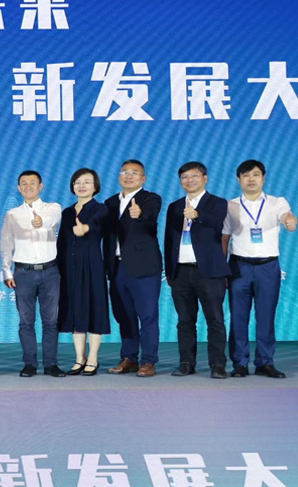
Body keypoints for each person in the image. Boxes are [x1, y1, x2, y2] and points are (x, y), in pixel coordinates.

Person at [221, 159, 297, 378]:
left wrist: (290, 220)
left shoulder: (277, 202)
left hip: (268, 267)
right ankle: (240, 363)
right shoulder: (230, 205)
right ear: (239, 180)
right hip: (239, 266)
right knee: (238, 317)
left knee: (266, 316)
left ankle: (265, 362)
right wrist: (222, 270)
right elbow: (224, 238)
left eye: (255, 174)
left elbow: (286, 216)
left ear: (263, 178)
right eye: (246, 175)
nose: (251, 179)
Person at [164, 161, 230, 378]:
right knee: (184, 321)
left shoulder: (217, 203)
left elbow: (217, 223)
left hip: (209, 271)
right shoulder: (175, 206)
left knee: (215, 320)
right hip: (181, 272)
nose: (189, 180)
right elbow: (168, 240)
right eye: (184, 177)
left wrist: (198, 215)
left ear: (205, 178)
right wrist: (170, 271)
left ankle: (218, 364)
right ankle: (186, 362)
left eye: (194, 176)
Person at [0, 170, 65, 377]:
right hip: (23, 273)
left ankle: (51, 364)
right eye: (24, 184)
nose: (28, 187)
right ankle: (30, 363)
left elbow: (52, 219)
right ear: (19, 188)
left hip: (50, 272)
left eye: (32, 183)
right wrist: (6, 271)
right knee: (26, 321)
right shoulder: (12, 214)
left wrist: (41, 222)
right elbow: (6, 243)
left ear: (41, 186)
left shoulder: (52, 208)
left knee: (51, 321)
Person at [104, 160, 163, 378]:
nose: (129, 176)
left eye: (134, 173)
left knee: (147, 316)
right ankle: (129, 358)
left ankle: (148, 361)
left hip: (144, 267)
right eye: (125, 172)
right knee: (124, 315)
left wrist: (141, 214)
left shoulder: (150, 199)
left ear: (143, 178)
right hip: (117, 267)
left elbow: (151, 218)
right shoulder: (110, 203)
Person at [57, 168, 110, 375]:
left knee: (94, 308)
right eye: (78, 182)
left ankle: (93, 358)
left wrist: (86, 229)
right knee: (75, 310)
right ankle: (79, 358)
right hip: (69, 266)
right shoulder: (67, 212)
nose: (82, 186)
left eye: (87, 182)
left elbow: (98, 225)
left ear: (95, 186)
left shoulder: (101, 209)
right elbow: (62, 241)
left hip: (92, 264)